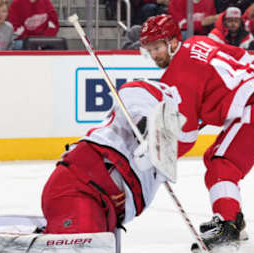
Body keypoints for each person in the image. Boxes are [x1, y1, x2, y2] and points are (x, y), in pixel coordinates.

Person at [139, 14, 254, 253]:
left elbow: (186, 137)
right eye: (149, 49)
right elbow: (242, 56)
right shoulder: (198, 41)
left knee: (222, 164)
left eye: (157, 47)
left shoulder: (177, 74)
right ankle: (233, 220)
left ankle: (227, 231)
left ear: (173, 42)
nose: (154, 55)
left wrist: (160, 159)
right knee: (214, 159)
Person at [42, 80, 181, 234]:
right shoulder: (147, 97)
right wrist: (148, 128)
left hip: (105, 209)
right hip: (77, 191)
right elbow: (136, 99)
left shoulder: (161, 141)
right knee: (84, 252)